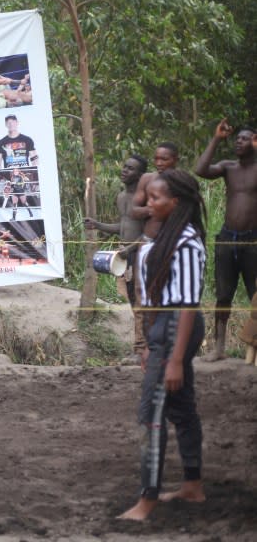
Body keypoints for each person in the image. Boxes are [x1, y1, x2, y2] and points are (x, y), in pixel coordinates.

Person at [118, 170, 207, 521]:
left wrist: (172, 359)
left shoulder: (186, 242)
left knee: (151, 415)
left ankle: (148, 499)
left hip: (177, 328)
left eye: (155, 198)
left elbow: (186, 304)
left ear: (177, 202)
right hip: (163, 329)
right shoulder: (164, 236)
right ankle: (193, 486)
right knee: (182, 407)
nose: (147, 203)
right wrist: (148, 343)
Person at [193, 118, 256, 361]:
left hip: (253, 242)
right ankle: (219, 347)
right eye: (236, 139)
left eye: (244, 139)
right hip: (227, 240)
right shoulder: (228, 167)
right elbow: (200, 170)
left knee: (256, 296)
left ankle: (254, 348)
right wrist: (217, 138)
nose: (238, 142)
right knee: (223, 295)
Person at [84, 154, 148, 355]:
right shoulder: (121, 197)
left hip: (142, 255)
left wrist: (130, 249)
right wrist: (97, 225)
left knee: (141, 300)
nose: (124, 170)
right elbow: (123, 226)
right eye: (124, 166)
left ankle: (141, 348)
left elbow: (150, 232)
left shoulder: (145, 197)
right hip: (126, 255)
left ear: (141, 174)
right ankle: (142, 345)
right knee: (131, 298)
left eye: (130, 168)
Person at [131, 142, 180, 239]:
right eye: (156, 159)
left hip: (176, 238)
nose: (159, 163)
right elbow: (134, 211)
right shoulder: (147, 179)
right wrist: (159, 208)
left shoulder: (183, 181)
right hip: (149, 238)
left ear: (176, 160)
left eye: (164, 159)